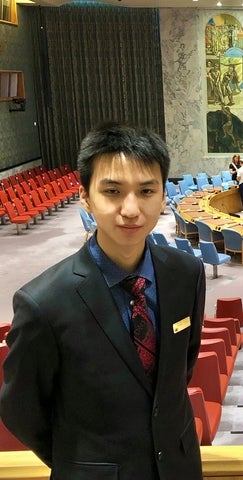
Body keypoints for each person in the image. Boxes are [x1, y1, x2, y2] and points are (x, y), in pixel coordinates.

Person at [0, 123, 206, 480]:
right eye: (112, 191)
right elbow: (21, 410)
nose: (131, 209)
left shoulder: (185, 272)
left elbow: (180, 369)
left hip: (179, 467)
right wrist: (81, 463)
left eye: (145, 191)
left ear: (163, 196)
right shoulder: (43, 302)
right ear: (85, 196)